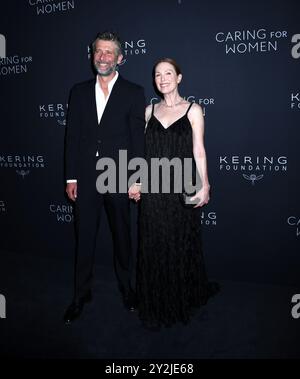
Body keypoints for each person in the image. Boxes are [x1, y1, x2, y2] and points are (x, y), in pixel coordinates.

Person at [129, 58, 219, 328]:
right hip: (155, 192)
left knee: (180, 244)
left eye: (169, 73)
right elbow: (142, 154)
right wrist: (136, 181)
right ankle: (156, 300)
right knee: (154, 244)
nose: (163, 78)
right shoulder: (148, 111)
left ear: (179, 77)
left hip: (182, 189)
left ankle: (182, 298)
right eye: (158, 74)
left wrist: (204, 185)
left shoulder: (193, 110)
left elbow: (199, 151)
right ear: (154, 81)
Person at [64, 31, 145, 325]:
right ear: (92, 55)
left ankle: (127, 289)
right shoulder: (78, 91)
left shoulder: (134, 92)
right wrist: (71, 177)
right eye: (99, 51)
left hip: (118, 175)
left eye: (109, 52)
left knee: (122, 237)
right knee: (84, 238)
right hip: (85, 177)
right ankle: (80, 294)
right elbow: (71, 137)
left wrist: (137, 178)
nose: (103, 57)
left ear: (120, 58)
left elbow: (138, 140)